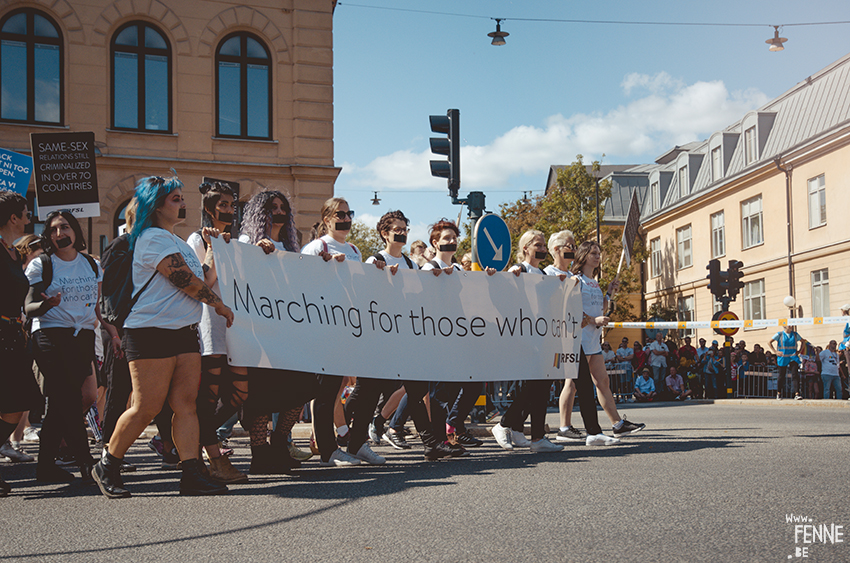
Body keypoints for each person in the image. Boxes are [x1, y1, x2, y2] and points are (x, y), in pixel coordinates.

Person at [92, 174, 234, 498]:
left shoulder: (178, 242)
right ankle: (107, 465)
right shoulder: (152, 238)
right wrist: (221, 307)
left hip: (184, 332)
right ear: (156, 205)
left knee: (186, 405)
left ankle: (192, 473)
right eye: (175, 199)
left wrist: (212, 249)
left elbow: (204, 278)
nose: (183, 203)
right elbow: (184, 280)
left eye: (182, 198)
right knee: (146, 408)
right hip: (150, 332)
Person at [24, 210, 119, 484]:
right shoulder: (42, 265)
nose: (59, 234)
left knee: (62, 404)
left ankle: (45, 468)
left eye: (64, 227)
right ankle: (88, 466)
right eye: (53, 229)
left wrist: (112, 333)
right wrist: (47, 304)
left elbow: (98, 308)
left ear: (75, 230)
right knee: (66, 399)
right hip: (51, 338)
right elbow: (28, 306)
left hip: (82, 338)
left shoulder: (91, 265)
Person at [185, 181, 247, 484]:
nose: (229, 210)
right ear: (209, 209)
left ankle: (193, 438)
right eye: (222, 205)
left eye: (232, 205)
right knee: (207, 398)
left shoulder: (239, 240)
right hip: (211, 325)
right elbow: (201, 284)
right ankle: (212, 459)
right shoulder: (197, 240)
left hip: (239, 326)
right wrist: (213, 248)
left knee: (240, 392)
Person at [490, 229, 563, 452]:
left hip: (542, 337)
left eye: (543, 246)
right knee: (534, 387)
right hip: (524, 336)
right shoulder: (519, 270)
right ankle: (505, 425)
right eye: (537, 245)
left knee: (540, 387)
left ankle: (535, 436)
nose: (542, 249)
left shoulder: (542, 274)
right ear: (525, 248)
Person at [569, 241, 644, 440]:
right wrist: (594, 320)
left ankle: (617, 423)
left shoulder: (594, 282)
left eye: (598, 253)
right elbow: (572, 310)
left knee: (603, 381)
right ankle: (564, 426)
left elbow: (601, 308)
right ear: (583, 255)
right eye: (593, 253)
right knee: (574, 384)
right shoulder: (576, 280)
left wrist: (610, 293)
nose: (597, 256)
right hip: (579, 340)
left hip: (593, 340)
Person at [0, 191, 43, 495]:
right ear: (13, 218)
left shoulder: (14, 252)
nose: (30, 218)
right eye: (27, 213)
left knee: (18, 402)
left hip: (15, 335)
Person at [544, 230, 586, 442]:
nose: (574, 249)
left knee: (573, 379)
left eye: (574, 245)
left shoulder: (573, 277)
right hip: (552, 336)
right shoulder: (547, 274)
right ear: (556, 250)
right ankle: (511, 424)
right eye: (569, 245)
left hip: (571, 335)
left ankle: (565, 426)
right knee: (545, 382)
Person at [769, 325, 802, 400]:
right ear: (784, 326)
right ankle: (779, 393)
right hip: (783, 357)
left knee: (795, 375)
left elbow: (803, 341)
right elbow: (769, 342)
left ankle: (797, 394)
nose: (791, 326)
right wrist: (775, 352)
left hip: (793, 357)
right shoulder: (779, 334)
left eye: (791, 325)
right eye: (789, 325)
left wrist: (799, 351)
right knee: (781, 375)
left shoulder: (795, 334)